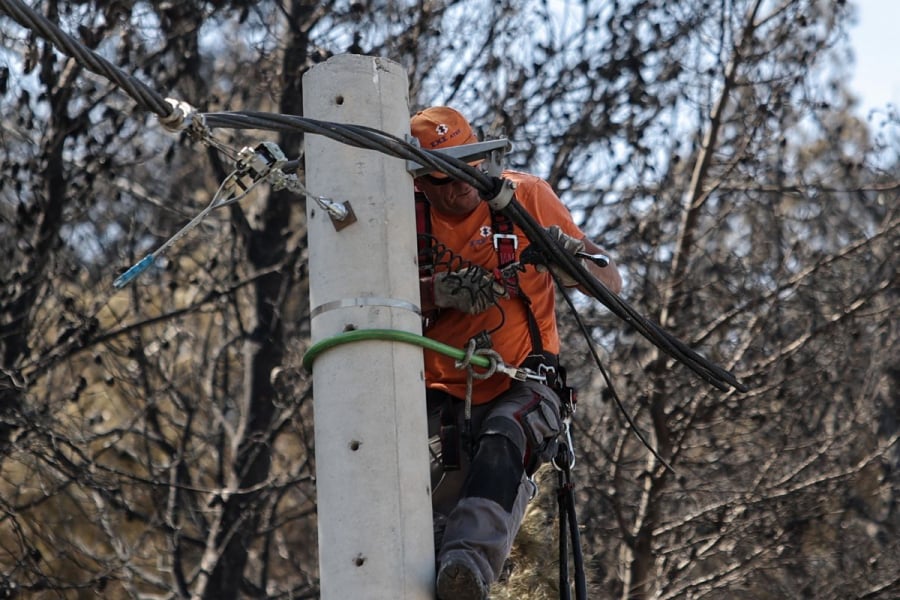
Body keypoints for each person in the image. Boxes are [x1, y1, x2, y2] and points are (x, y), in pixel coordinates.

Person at [410, 106, 622, 600]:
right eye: (442, 179)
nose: (458, 187)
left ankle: (469, 566)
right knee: (425, 514)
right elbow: (372, 297)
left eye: (467, 170)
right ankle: (442, 568)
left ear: (481, 161)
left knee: (506, 436)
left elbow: (610, 282)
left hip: (523, 381)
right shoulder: (407, 216)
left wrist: (570, 259)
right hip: (442, 389)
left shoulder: (522, 198)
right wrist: (437, 291)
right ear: (420, 181)